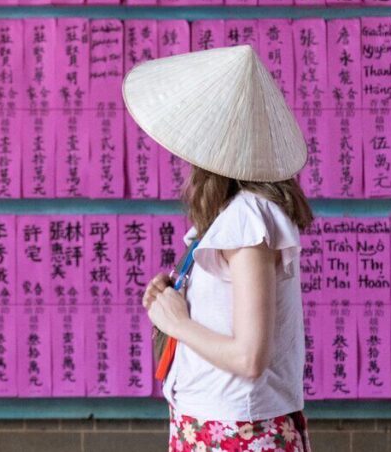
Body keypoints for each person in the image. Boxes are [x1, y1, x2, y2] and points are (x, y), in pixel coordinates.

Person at [122, 44, 312, 452]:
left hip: (239, 433)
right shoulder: (229, 218)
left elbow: (249, 358)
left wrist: (178, 324)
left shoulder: (247, 219)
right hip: (212, 426)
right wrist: (173, 302)